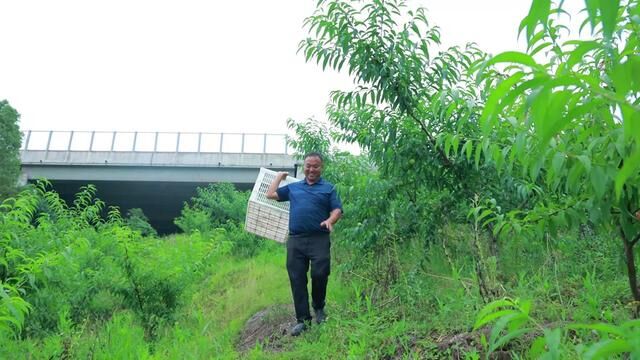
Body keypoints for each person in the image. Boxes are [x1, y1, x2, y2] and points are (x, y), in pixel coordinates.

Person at [266, 152, 343, 336]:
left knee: (320, 273)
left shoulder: (329, 188)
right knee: (297, 278)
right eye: (308, 165)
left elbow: (337, 209)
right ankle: (303, 320)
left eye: (315, 166)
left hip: (319, 238)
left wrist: (330, 221)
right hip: (296, 240)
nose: (311, 169)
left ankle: (318, 308)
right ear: (304, 167)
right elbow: (270, 194)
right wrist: (278, 177)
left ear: (321, 168)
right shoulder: (294, 188)